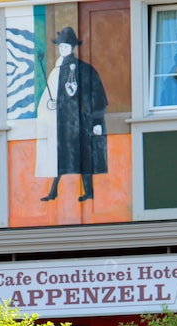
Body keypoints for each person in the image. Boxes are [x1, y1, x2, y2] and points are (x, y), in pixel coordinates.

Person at [36, 26, 108, 203]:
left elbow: (97, 96)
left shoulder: (85, 70)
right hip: (63, 124)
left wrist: (97, 120)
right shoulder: (56, 72)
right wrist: (51, 103)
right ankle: (53, 192)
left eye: (66, 46)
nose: (63, 49)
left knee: (85, 157)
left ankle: (89, 192)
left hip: (82, 123)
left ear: (73, 47)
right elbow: (50, 95)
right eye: (61, 46)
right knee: (60, 157)